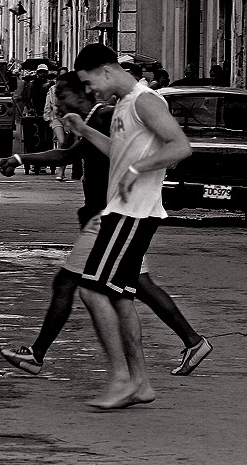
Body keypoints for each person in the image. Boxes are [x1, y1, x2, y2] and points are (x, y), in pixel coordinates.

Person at [0, 72, 210, 378]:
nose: (57, 103)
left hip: (109, 216)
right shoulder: (97, 117)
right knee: (137, 285)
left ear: (82, 93)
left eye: (62, 95)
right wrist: (20, 156)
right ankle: (191, 342)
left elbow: (155, 150)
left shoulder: (107, 116)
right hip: (122, 216)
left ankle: (39, 355)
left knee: (72, 285)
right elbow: (71, 154)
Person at [62, 43, 192, 409]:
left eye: (89, 83)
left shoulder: (144, 100)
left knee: (91, 290)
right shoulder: (122, 104)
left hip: (133, 213)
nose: (89, 92)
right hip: (123, 211)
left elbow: (180, 147)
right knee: (120, 296)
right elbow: (120, 154)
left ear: (106, 71)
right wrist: (85, 132)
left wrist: (138, 170)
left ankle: (121, 377)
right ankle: (139, 383)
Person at [42, 67, 69, 181]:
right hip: (57, 118)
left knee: (68, 145)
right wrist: (48, 116)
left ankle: (62, 171)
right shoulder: (53, 89)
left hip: (69, 119)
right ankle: (60, 170)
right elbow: (48, 104)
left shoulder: (71, 90)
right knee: (62, 142)